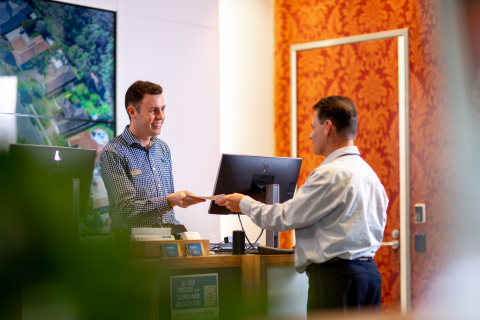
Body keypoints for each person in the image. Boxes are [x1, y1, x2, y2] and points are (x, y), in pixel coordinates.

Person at [216, 95, 388, 315]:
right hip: (369, 277)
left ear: (327, 127)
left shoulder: (329, 174)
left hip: (338, 280)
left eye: (312, 127)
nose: (309, 134)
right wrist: (312, 243)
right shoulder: (369, 174)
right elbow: (356, 225)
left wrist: (245, 204)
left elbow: (284, 217)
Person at [100, 80, 204, 236]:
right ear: (132, 112)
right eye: (153, 110)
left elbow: (167, 215)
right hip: (131, 244)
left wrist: (185, 236)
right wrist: (169, 201)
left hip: (168, 237)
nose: (161, 116)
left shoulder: (162, 149)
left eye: (162, 109)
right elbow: (125, 210)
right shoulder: (114, 152)